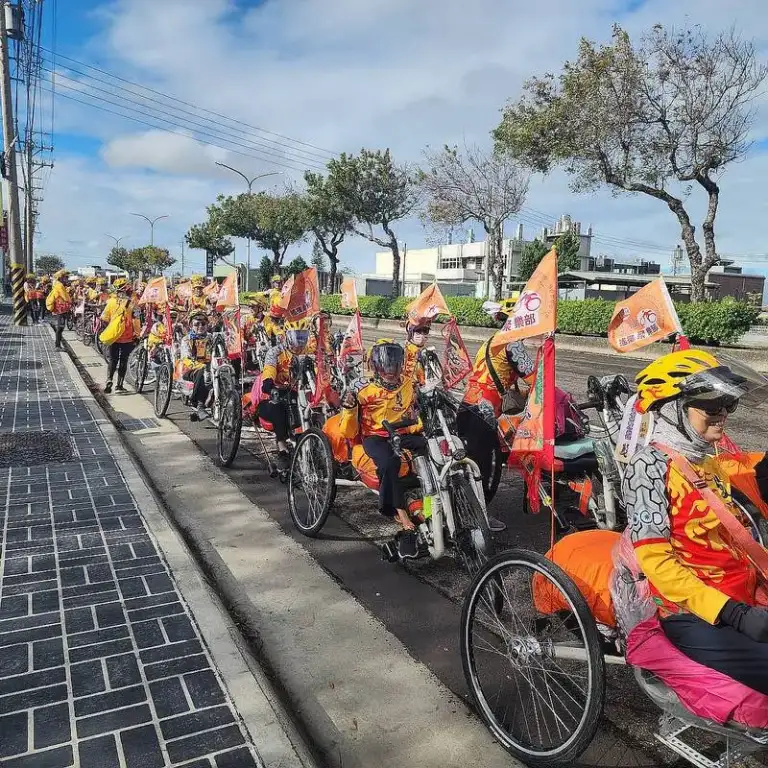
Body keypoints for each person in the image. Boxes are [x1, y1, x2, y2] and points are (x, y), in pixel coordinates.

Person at [625, 349, 768, 695]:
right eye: (712, 407)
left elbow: (733, 537)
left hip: (743, 595)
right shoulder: (647, 467)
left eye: (728, 405)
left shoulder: (706, 462)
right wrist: (732, 613)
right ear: (673, 409)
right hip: (695, 613)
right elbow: (657, 564)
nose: (723, 415)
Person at [339, 339, 427, 533]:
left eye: (394, 365)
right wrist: (350, 409)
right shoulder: (360, 387)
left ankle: (430, 499)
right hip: (375, 436)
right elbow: (348, 431)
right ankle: (398, 511)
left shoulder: (408, 383)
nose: (390, 371)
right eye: (385, 366)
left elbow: (419, 407)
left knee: (431, 448)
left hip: (402, 432)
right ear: (375, 366)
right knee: (390, 462)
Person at [259, 318, 311, 466]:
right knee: (278, 408)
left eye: (303, 336)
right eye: (296, 335)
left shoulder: (309, 353)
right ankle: (281, 445)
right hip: (279, 393)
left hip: (302, 392)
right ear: (287, 335)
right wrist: (269, 383)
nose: (300, 340)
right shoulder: (276, 352)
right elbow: (269, 370)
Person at [100, 278, 141, 393]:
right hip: (127, 336)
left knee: (113, 360)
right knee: (123, 360)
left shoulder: (111, 302)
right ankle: (119, 385)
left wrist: (110, 329)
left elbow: (104, 319)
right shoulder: (132, 304)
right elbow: (136, 321)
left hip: (114, 336)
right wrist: (137, 335)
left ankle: (109, 379)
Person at [179, 310, 213, 421]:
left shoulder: (212, 337)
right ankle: (199, 405)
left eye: (203, 324)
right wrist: (200, 364)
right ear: (190, 325)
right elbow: (186, 359)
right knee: (202, 369)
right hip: (190, 369)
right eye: (196, 324)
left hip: (210, 368)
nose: (200, 327)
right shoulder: (186, 339)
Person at [45, 269, 72, 349]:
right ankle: (57, 346)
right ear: (61, 278)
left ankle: (58, 345)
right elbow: (65, 297)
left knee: (61, 327)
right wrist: (71, 301)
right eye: (66, 277)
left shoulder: (58, 284)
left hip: (60, 309)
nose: (67, 279)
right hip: (60, 309)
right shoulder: (59, 285)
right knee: (60, 327)